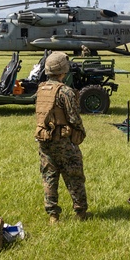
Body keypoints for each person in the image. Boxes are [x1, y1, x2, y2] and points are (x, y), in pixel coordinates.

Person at [34, 51, 88, 223]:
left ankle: (53, 215)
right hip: (63, 141)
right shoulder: (65, 91)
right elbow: (74, 118)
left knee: (49, 176)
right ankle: (80, 212)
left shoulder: (41, 88)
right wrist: (80, 132)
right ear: (63, 70)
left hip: (44, 140)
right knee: (74, 175)